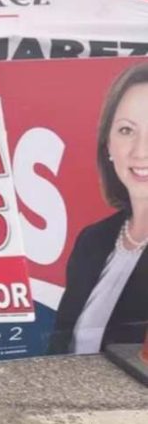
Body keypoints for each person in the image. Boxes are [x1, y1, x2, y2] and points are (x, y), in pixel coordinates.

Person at [49, 63, 148, 355]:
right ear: (108, 144)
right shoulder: (92, 240)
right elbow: (58, 343)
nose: (140, 150)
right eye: (127, 130)